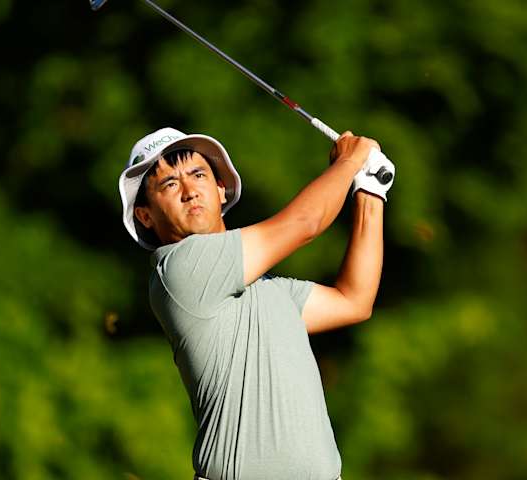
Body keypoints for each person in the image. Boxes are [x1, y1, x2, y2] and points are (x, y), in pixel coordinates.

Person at [118, 127, 395, 480]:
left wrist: (371, 191)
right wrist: (350, 160)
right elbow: (304, 223)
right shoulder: (179, 268)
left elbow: (353, 300)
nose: (189, 191)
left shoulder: (267, 289)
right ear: (145, 215)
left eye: (198, 174)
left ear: (220, 190)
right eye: (169, 184)